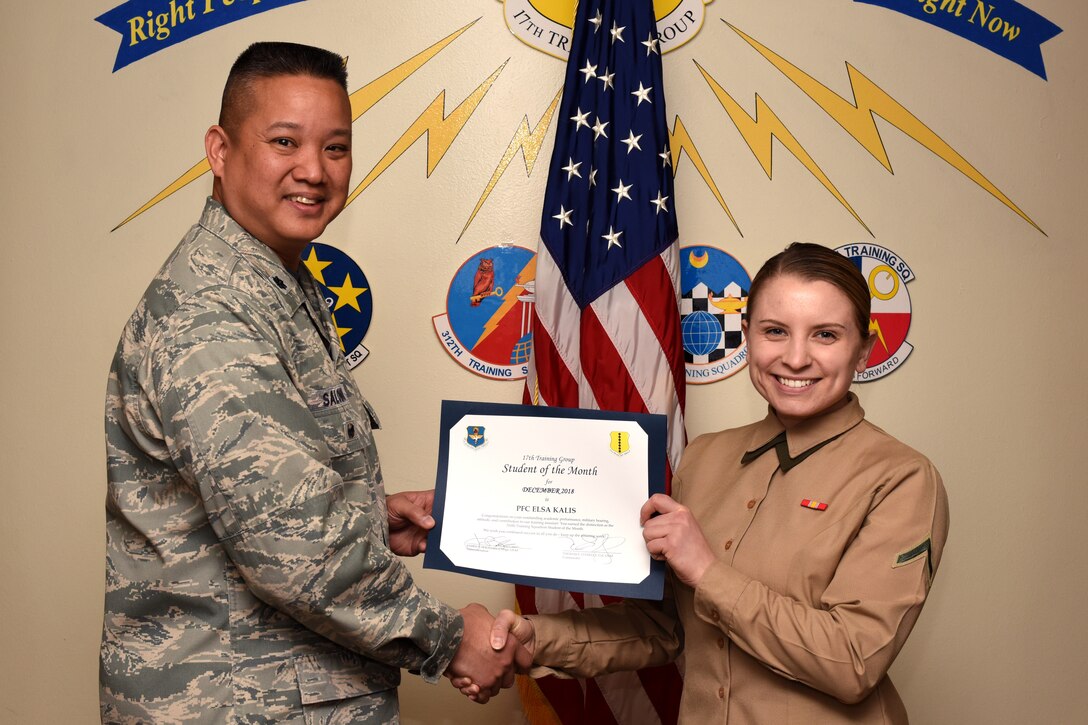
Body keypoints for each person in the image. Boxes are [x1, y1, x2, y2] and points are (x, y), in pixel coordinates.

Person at [101, 41, 525, 723]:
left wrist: (366, 514)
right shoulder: (214, 313)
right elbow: (291, 546)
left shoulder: (274, 283)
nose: (314, 170)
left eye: (335, 147)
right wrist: (451, 639)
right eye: (284, 141)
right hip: (233, 703)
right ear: (219, 149)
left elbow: (258, 501)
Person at [473, 243, 949, 723]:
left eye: (826, 334)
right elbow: (668, 627)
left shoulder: (900, 478)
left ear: (863, 350)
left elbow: (852, 662)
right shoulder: (705, 457)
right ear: (747, 337)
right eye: (775, 331)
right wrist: (542, 638)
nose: (796, 357)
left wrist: (708, 572)